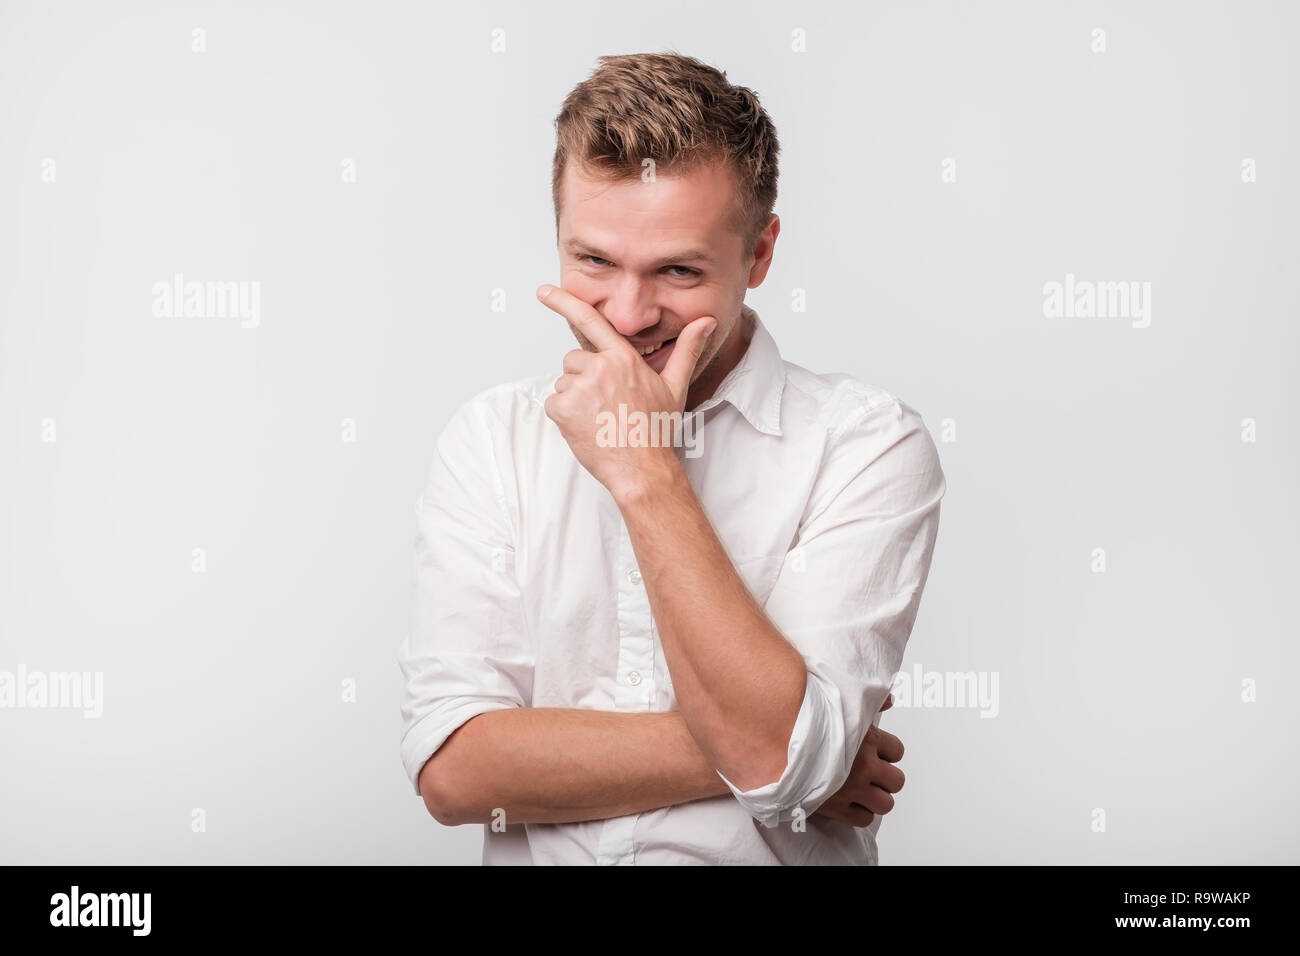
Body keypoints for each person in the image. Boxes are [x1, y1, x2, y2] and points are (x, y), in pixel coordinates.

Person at [398, 52, 946, 865]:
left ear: (759, 256)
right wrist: (806, 752)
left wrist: (642, 468)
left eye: (678, 271)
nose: (626, 313)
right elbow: (454, 771)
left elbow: (776, 756)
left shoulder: (865, 444)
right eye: (593, 262)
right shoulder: (490, 438)